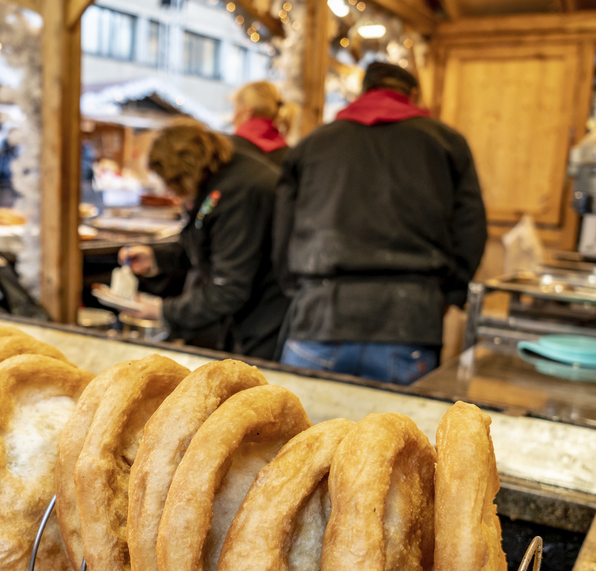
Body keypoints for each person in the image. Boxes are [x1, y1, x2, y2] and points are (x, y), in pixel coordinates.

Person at [273, 62, 487, 385]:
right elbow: (471, 229)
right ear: (413, 95)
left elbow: (282, 233)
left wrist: (297, 289)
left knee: (308, 435)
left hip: (319, 315)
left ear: (365, 91)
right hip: (410, 319)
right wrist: (446, 297)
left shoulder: (312, 145)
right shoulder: (447, 142)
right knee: (397, 435)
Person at [117, 118, 289, 361]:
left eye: (172, 184)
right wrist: (157, 258)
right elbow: (205, 242)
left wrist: (163, 311)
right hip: (249, 315)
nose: (171, 193)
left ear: (184, 172)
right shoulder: (218, 178)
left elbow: (229, 288)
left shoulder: (240, 192)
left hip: (267, 319)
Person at [231, 80, 290, 168]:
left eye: (235, 110)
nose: (232, 118)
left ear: (247, 112)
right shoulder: (287, 152)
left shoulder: (231, 149)